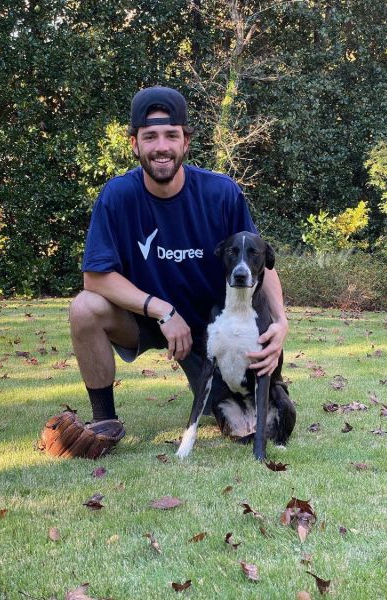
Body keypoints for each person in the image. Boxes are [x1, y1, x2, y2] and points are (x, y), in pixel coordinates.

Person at [69, 86, 289, 449]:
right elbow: (95, 277)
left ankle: (258, 393)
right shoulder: (117, 196)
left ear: (186, 141)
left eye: (171, 135)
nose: (161, 146)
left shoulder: (222, 193)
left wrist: (281, 321)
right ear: (134, 144)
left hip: (213, 329)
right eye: (150, 136)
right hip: (145, 319)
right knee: (83, 307)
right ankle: (105, 421)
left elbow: (260, 260)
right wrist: (162, 310)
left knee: (235, 421)